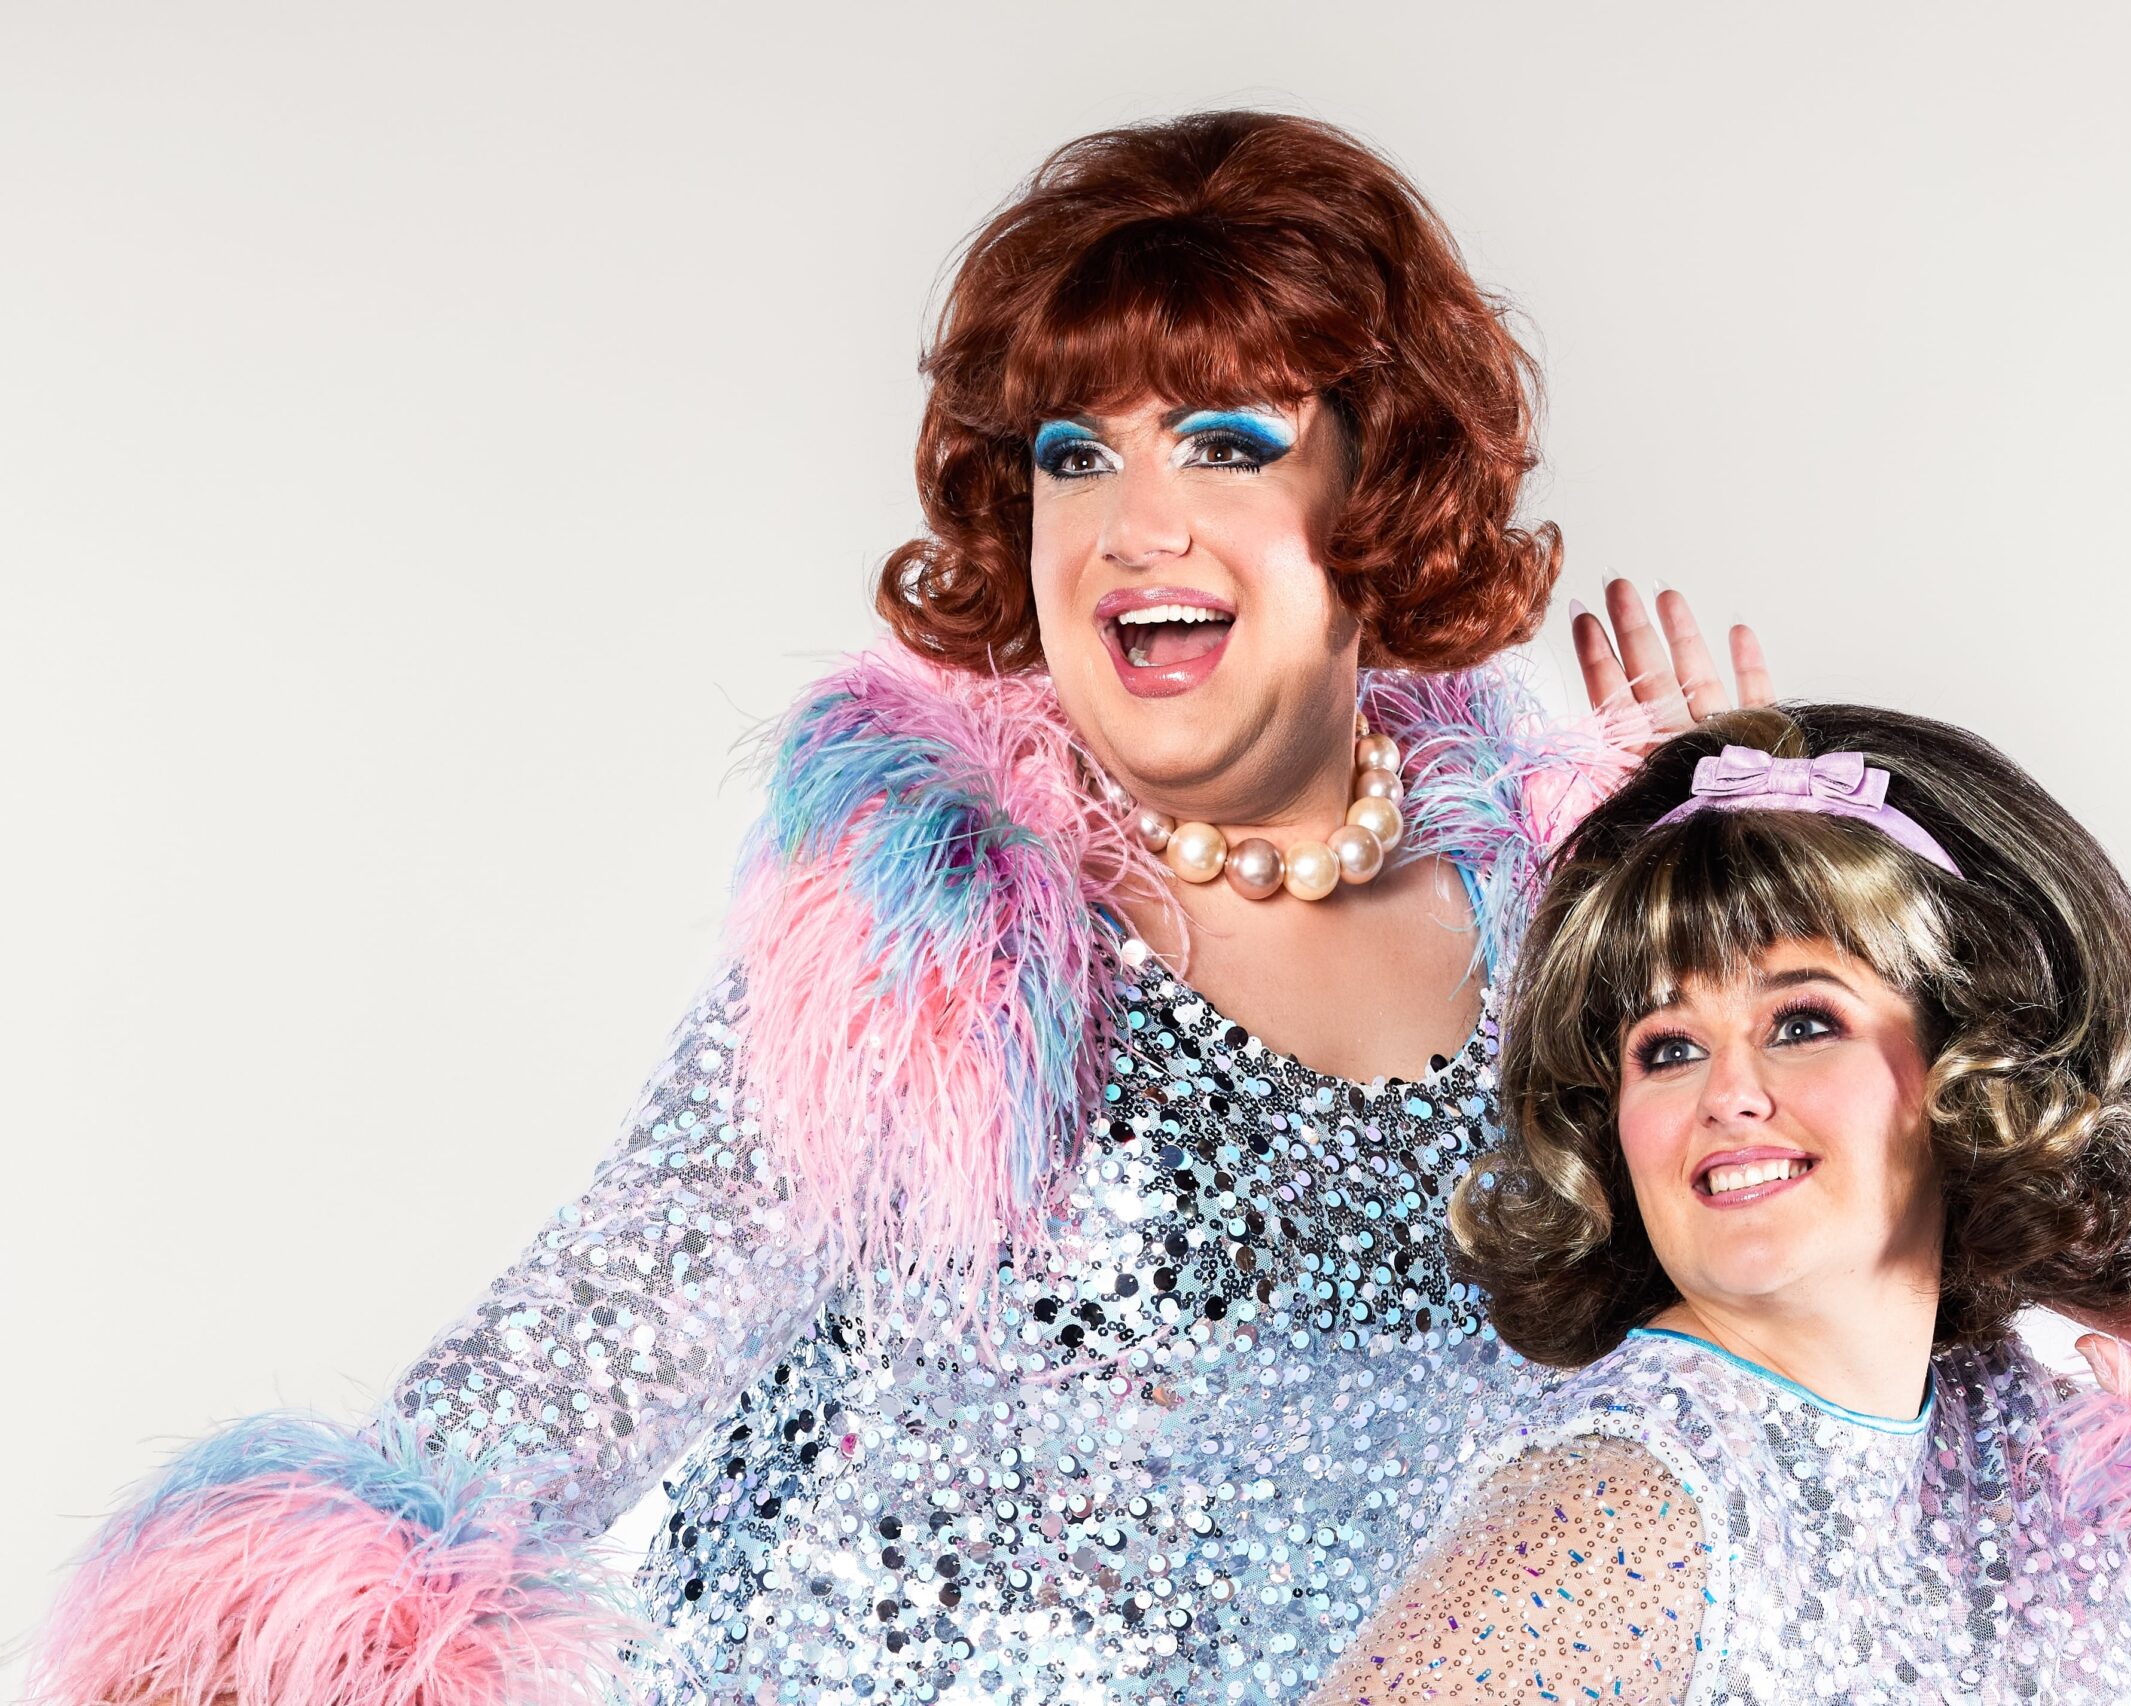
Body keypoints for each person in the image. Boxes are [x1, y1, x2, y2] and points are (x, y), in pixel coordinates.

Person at [30, 111, 1759, 1706]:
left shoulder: (1567, 936)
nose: (1133, 527)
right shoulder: (932, 952)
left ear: (1381, 495)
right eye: (1075, 458)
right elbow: (543, 1391)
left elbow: (1749, 1395)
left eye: (1225, 446)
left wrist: (1766, 927)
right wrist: (255, 1646)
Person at [1314, 707, 2131, 1704]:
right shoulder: (1623, 1504)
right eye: (1666, 1047)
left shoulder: (2022, 1444)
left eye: (1802, 1020)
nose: (1725, 1093)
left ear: (1968, 1068)